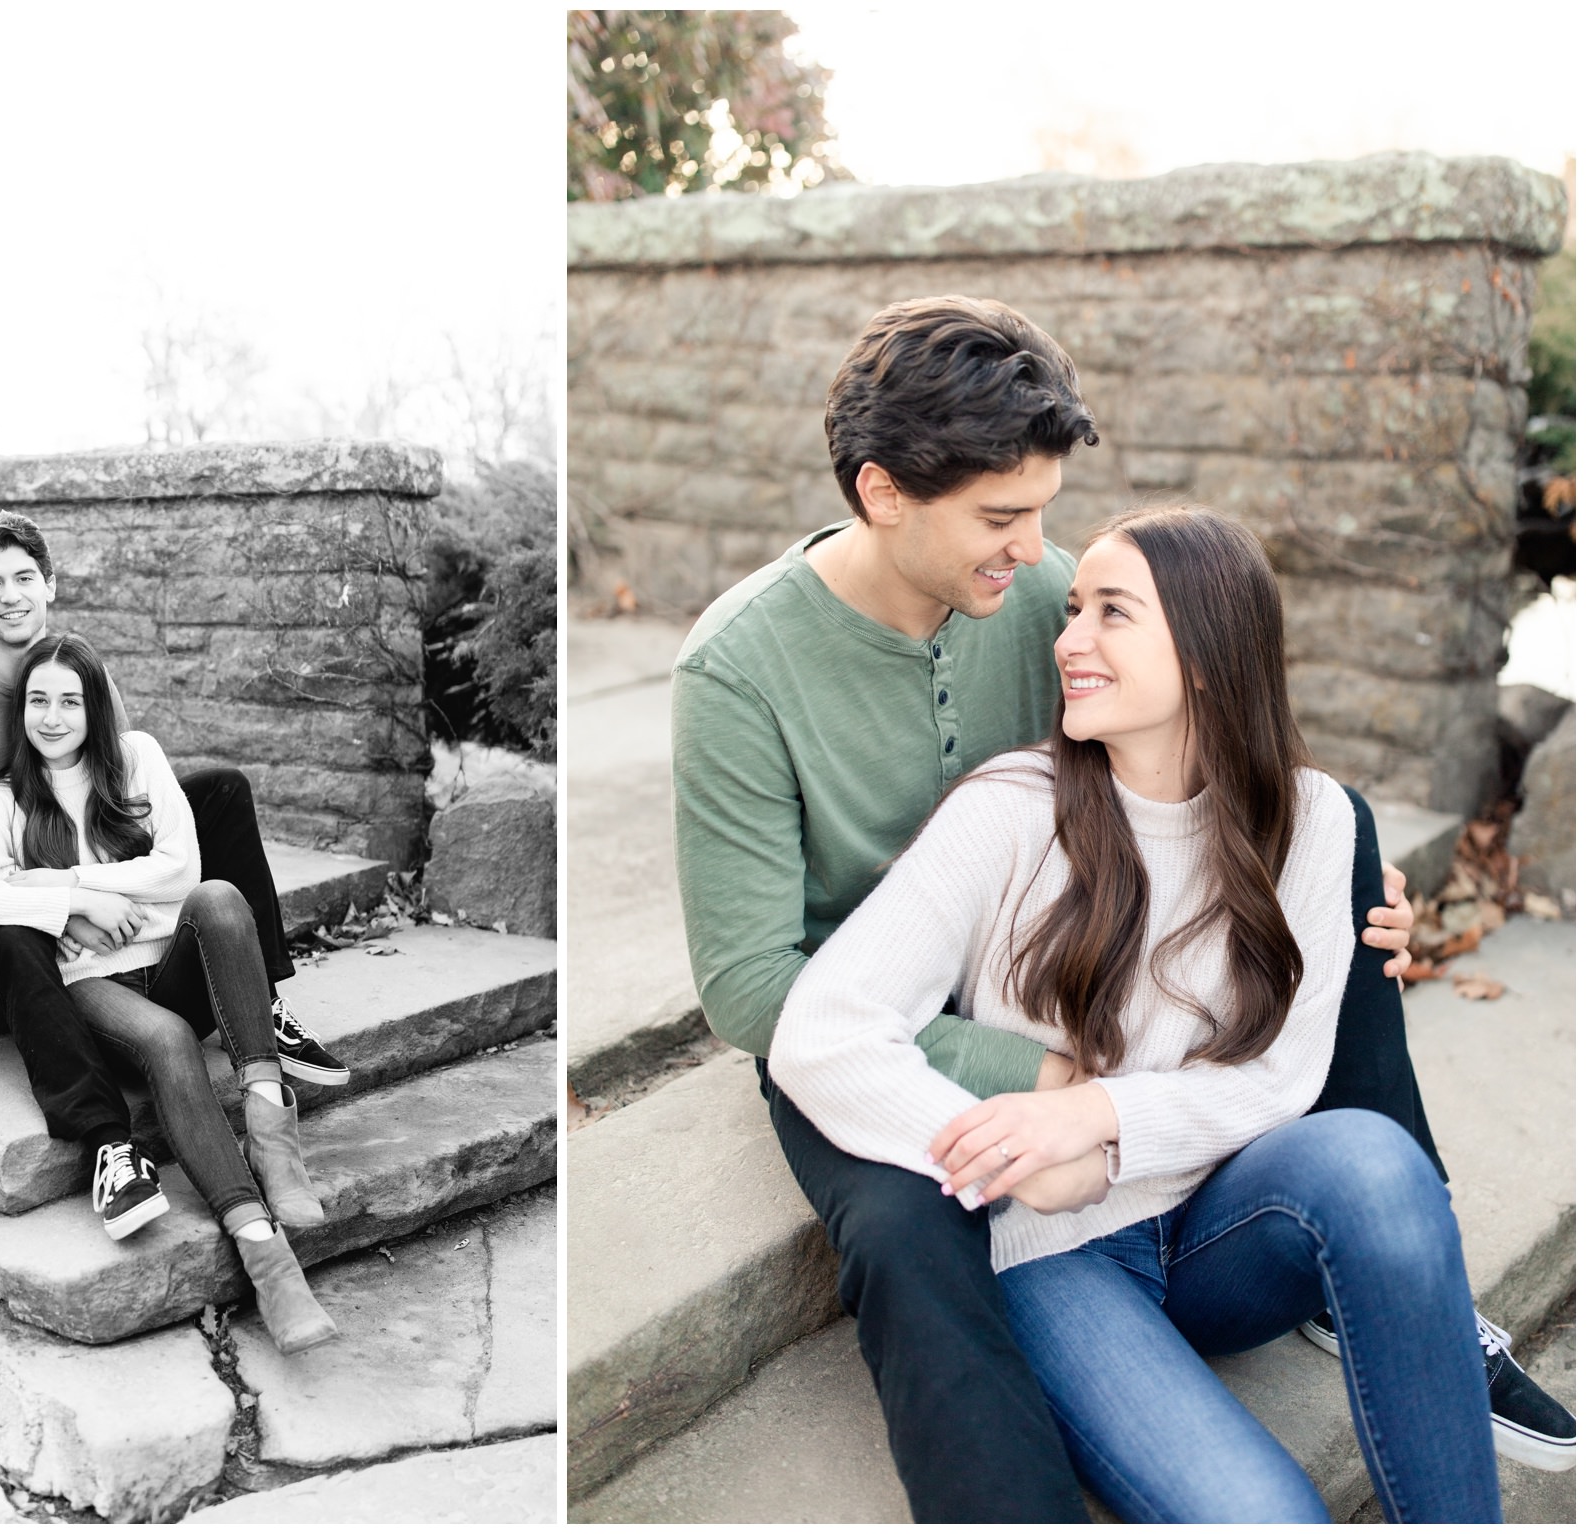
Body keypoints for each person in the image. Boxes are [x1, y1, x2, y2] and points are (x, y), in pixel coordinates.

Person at [669, 296, 1571, 1521]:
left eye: (1043, 515)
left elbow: (1198, 712)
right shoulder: (745, 671)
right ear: (882, 493)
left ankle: (1403, 1281)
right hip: (900, 1027)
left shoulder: (1041, 591)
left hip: (1129, 1077)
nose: (1041, 564)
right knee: (906, 1233)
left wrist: (1332, 893)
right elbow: (761, 993)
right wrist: (1027, 1091)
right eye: (1002, 518)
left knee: (1338, 876)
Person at [770, 507, 1501, 1520]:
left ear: (1205, 654)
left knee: (1376, 1165)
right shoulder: (1010, 810)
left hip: (1220, 1228)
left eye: (1111, 613)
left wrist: (1098, 1123)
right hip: (1053, 1258)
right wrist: (1016, 1155)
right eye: (1072, 612)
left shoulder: (1312, 822)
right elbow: (820, 1030)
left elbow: (1279, 1077)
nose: (1068, 640)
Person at [0, 632, 338, 1354]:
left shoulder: (138, 758)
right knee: (166, 1039)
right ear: (20, 710)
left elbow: (181, 871)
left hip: (172, 965)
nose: (52, 717)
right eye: (37, 701)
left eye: (69, 701)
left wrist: (45, 883)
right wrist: (69, 906)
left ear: (95, 707)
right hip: (95, 990)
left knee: (218, 897)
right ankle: (263, 1252)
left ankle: (274, 1135)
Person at [0, 510, 350, 1096]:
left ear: (50, 586)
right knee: (12, 928)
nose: (10, 597)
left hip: (73, 853)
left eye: (23, 578)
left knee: (222, 791)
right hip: (0, 881)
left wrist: (104, 883)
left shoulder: (81, 670)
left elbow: (116, 794)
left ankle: (262, 1000)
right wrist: (69, 906)